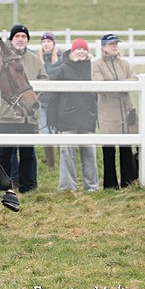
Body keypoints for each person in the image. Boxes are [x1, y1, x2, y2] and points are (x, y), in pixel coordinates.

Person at [0, 24, 48, 193]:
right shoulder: (2, 60)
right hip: (6, 114)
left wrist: (34, 97)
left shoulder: (35, 60)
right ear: (12, 39)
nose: (21, 39)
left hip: (28, 116)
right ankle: (4, 185)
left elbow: (44, 80)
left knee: (28, 152)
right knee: (4, 153)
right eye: (17, 36)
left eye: (24, 36)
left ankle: (28, 186)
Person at [48, 38, 99, 191]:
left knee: (89, 153)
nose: (82, 52)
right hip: (67, 118)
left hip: (87, 117)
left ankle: (91, 186)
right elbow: (54, 95)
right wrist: (52, 119)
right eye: (79, 49)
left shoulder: (92, 68)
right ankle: (67, 187)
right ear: (73, 51)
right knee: (67, 154)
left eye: (84, 49)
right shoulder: (63, 68)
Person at [92, 33, 138, 189]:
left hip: (125, 110)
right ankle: (110, 185)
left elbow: (135, 79)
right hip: (108, 112)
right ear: (103, 47)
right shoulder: (97, 64)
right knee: (109, 149)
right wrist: (121, 87)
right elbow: (99, 84)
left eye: (116, 43)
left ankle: (128, 182)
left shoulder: (124, 64)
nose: (115, 46)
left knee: (126, 148)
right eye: (111, 44)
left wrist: (120, 84)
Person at [37, 31, 62, 168]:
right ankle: (50, 163)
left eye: (49, 41)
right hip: (43, 102)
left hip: (57, 102)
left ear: (54, 43)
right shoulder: (37, 60)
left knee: (57, 130)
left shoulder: (60, 59)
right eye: (44, 42)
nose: (46, 44)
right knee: (46, 131)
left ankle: (63, 159)